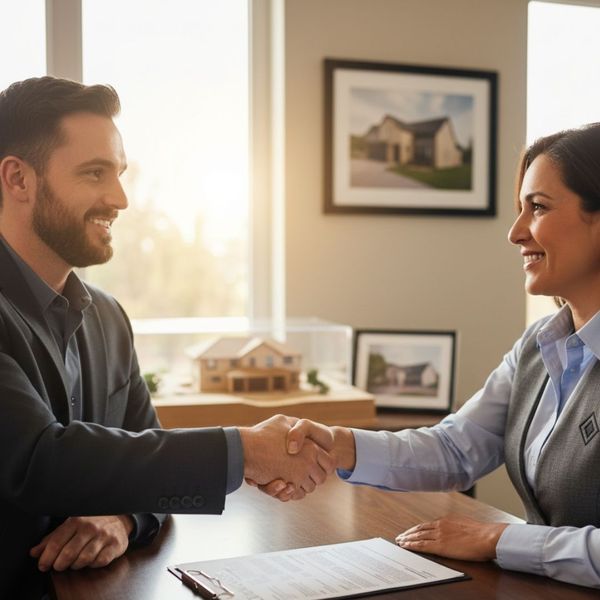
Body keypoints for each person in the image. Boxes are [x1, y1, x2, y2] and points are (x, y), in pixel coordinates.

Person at [0, 76, 334, 599]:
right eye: (94, 173)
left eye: (119, 173)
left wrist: (122, 518)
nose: (120, 198)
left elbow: (145, 464)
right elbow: (38, 460)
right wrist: (244, 450)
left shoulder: (109, 318)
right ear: (18, 179)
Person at [262, 123, 600, 589]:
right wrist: (335, 443)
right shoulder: (539, 345)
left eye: (537, 208)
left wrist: (497, 541)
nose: (515, 232)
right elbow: (455, 449)